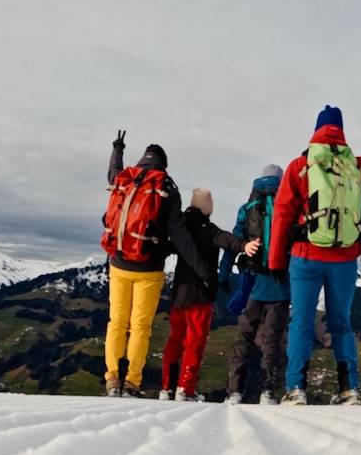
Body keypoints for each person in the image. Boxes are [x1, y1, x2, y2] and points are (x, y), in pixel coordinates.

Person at [269, 105, 361, 405]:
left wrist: (275, 260)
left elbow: (282, 215)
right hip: (345, 259)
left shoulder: (301, 166)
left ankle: (296, 389)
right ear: (341, 132)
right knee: (341, 323)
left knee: (301, 321)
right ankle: (349, 389)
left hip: (306, 256)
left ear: (316, 132)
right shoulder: (353, 166)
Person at [101, 130, 209, 398]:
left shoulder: (125, 178)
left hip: (118, 262)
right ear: (164, 164)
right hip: (148, 270)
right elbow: (180, 234)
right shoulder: (166, 188)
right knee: (139, 327)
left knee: (116, 322)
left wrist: (118, 147)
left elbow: (112, 171)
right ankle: (132, 383)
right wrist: (203, 269)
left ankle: (113, 378)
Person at [159, 188, 259, 402]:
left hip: (179, 294)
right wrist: (245, 245)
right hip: (200, 296)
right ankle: (185, 389)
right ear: (206, 207)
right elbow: (227, 239)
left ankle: (166, 387)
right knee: (194, 343)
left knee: (174, 341)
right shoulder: (208, 229)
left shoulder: (180, 228)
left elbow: (166, 246)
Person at [219, 164, 291, 405]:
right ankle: (268, 392)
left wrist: (224, 272)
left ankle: (234, 392)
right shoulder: (288, 205)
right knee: (273, 341)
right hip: (281, 285)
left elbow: (235, 239)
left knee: (244, 338)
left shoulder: (247, 207)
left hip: (251, 282)